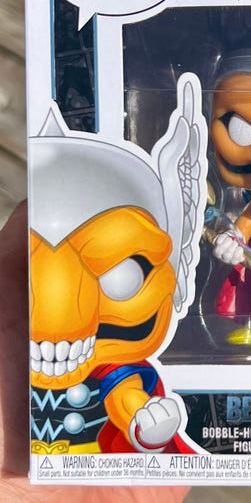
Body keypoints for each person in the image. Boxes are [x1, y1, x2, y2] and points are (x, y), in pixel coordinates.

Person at [0, 201, 190, 503]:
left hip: (90, 467)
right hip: (41, 470)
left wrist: (146, 427)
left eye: (122, 276)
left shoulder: (111, 369)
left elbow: (125, 397)